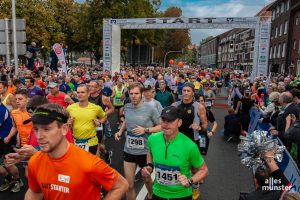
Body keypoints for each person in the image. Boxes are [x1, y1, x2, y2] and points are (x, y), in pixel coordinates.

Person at [23, 103, 129, 199]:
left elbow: (121, 185)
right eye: (36, 129)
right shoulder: (35, 161)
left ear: (64, 129)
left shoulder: (88, 163)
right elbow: (35, 192)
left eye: (47, 129)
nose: (39, 136)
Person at [142, 106, 208, 200]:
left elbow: (204, 170)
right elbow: (150, 152)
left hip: (181, 195)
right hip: (158, 193)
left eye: (170, 121)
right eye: (164, 120)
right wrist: (149, 166)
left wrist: (190, 181)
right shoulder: (152, 139)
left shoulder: (189, 145)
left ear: (179, 122)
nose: (166, 124)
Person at [115, 82, 161, 200]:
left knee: (146, 179)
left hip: (145, 152)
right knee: (128, 185)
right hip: (129, 150)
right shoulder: (127, 106)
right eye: (131, 94)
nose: (133, 96)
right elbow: (126, 120)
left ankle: (151, 195)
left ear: (141, 94)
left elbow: (161, 126)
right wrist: (120, 131)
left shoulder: (150, 109)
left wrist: (145, 129)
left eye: (136, 93)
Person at [67, 84, 107, 155]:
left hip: (91, 142)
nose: (79, 94)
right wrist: (68, 123)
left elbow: (104, 116)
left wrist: (100, 122)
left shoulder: (96, 108)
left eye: (82, 92)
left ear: (88, 94)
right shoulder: (70, 108)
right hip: (76, 142)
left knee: (91, 165)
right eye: (78, 92)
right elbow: (65, 123)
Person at [88, 80, 114, 164]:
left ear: (98, 88)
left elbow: (111, 109)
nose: (90, 88)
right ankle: (106, 153)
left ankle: (97, 168)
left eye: (92, 86)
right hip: (88, 124)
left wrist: (103, 114)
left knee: (97, 146)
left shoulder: (103, 98)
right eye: (89, 86)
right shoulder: (86, 96)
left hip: (99, 124)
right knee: (98, 146)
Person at [0, 101, 23, 193]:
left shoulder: (2, 109)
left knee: (8, 163)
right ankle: (8, 178)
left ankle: (18, 181)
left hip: (5, 139)